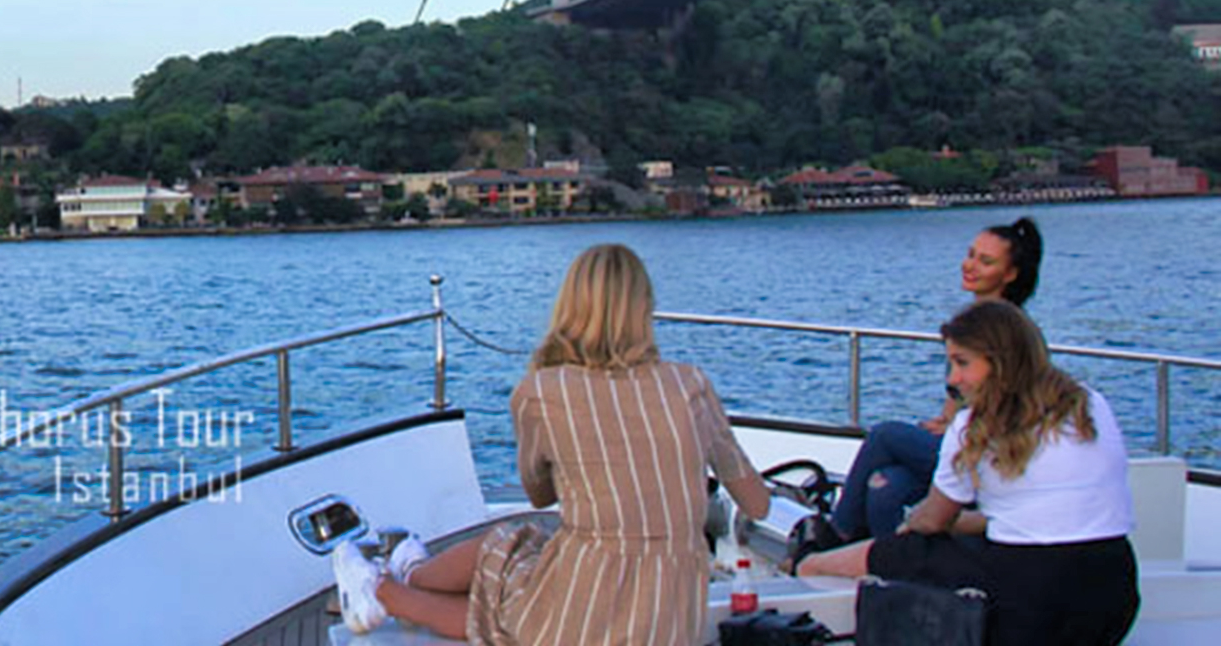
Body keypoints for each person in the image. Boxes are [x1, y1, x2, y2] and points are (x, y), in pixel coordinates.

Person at [332, 243, 771, 643]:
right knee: (524, 588)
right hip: (670, 619)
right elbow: (757, 505)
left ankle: (387, 587)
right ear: (644, 310)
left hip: (575, 617)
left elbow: (540, 495)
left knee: (507, 549)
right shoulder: (691, 385)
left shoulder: (541, 391)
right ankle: (405, 574)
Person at [798, 300, 1140, 646]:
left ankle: (810, 565)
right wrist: (963, 523)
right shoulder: (1091, 404)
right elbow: (1040, 518)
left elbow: (932, 521)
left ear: (1002, 362)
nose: (953, 379)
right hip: (1113, 594)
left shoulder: (970, 426)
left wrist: (909, 525)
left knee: (908, 550)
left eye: (962, 363)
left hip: (1030, 608)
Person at [823, 217, 1044, 544]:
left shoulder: (1008, 333)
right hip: (960, 439)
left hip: (988, 452)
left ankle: (834, 535)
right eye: (970, 255)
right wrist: (946, 420)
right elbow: (958, 394)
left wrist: (956, 427)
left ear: (1010, 274)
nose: (969, 266)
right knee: (885, 485)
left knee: (884, 435)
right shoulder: (971, 324)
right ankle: (889, 565)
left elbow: (1009, 409)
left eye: (985, 261)